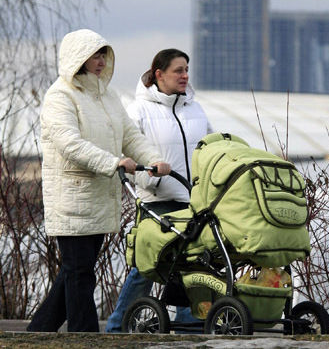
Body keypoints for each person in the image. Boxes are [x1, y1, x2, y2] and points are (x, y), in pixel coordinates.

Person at [26, 29, 171, 333]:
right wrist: (113, 162)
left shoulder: (107, 96)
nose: (101, 60)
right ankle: (86, 336)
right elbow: (69, 143)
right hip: (73, 196)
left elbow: (129, 135)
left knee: (74, 272)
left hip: (99, 197)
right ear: (78, 58)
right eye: (95, 54)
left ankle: (39, 331)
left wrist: (153, 160)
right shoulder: (60, 96)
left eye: (104, 54)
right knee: (79, 273)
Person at [105, 48, 212, 333]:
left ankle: (189, 326)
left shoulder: (196, 110)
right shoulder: (139, 111)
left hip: (193, 201)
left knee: (192, 266)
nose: (185, 75)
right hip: (158, 201)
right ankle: (117, 328)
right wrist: (151, 179)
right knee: (147, 266)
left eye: (187, 69)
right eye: (178, 70)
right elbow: (130, 152)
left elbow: (211, 150)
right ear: (159, 74)